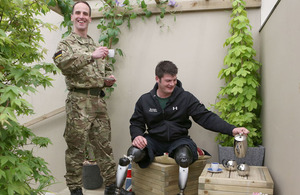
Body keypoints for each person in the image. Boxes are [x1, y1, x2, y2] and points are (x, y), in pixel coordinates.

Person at [115, 60, 250, 195]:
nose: (172, 84)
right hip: (154, 140)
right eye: (168, 80)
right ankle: (118, 190)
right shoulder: (144, 100)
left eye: (174, 80)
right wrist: (137, 136)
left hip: (179, 140)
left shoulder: (185, 97)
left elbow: (205, 117)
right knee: (133, 153)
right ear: (157, 79)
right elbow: (136, 123)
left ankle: (181, 192)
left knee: (184, 157)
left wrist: (232, 129)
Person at [53, 1, 133, 195]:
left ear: (89, 18)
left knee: (104, 146)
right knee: (76, 149)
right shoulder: (66, 43)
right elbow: (62, 63)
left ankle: (111, 187)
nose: (81, 16)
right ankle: (75, 190)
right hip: (78, 103)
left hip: (98, 102)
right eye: (78, 13)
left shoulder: (95, 44)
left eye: (85, 13)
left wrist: (108, 79)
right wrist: (91, 55)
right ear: (72, 17)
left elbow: (104, 69)